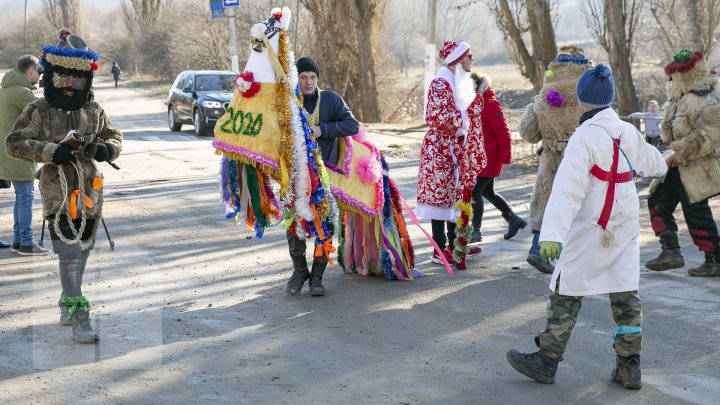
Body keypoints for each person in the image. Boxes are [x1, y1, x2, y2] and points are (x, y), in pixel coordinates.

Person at [506, 64, 667, 390]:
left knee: (566, 289)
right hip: (623, 228)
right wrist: (669, 157)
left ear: (581, 101)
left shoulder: (584, 137)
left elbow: (566, 191)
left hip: (592, 228)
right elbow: (654, 163)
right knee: (626, 295)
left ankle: (546, 361)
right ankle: (629, 367)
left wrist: (550, 236)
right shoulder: (626, 130)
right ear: (608, 99)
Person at [6, 29, 122, 343]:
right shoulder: (38, 110)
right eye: (63, 80)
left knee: (82, 250)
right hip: (56, 190)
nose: (70, 87)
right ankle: (78, 313)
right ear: (52, 76)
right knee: (68, 252)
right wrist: (48, 151)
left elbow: (113, 136)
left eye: (77, 81)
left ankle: (66, 299)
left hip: (90, 190)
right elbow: (14, 143)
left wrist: (105, 149)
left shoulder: (94, 110)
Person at [285, 57, 359, 296]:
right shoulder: (288, 102)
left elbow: (352, 125)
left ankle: (317, 278)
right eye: (304, 77)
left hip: (325, 178)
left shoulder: (330, 99)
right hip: (296, 177)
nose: (308, 82)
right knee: (294, 225)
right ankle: (299, 271)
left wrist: (323, 129)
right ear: (296, 79)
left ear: (318, 79)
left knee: (325, 227)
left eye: (313, 77)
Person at [645, 49, 720, 277]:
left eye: (675, 76)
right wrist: (665, 144)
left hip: (695, 169)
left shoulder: (702, 101)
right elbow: (673, 131)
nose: (672, 80)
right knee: (657, 201)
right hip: (673, 167)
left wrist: (680, 151)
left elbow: (712, 133)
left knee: (696, 213)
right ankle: (671, 252)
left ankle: (714, 260)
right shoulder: (678, 100)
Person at [519, 46, 592, 273]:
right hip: (582, 162)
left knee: (547, 203)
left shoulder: (543, 100)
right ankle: (576, 259)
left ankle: (536, 250)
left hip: (551, 163)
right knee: (581, 208)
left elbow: (528, 133)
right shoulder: (589, 101)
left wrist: (536, 108)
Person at [415, 40, 481, 268]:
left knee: (453, 195)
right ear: (457, 58)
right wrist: (465, 116)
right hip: (440, 149)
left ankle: (454, 245)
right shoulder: (441, 82)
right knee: (440, 196)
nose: (472, 60)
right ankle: (438, 248)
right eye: (469, 56)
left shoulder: (457, 81)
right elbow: (435, 116)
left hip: (453, 147)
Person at [0, 55, 51, 255]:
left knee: (21, 196)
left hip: (7, 150)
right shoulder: (22, 93)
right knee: (25, 196)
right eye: (39, 71)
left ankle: (18, 241)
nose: (39, 75)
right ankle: (27, 243)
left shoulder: (7, 88)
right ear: (30, 71)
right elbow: (44, 115)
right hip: (17, 150)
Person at [468, 72, 527, 243]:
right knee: (488, 191)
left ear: (478, 86)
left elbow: (503, 133)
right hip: (480, 157)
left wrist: (506, 158)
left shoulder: (491, 104)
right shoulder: (476, 105)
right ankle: (513, 219)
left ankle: (476, 230)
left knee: (475, 192)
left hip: (490, 158)